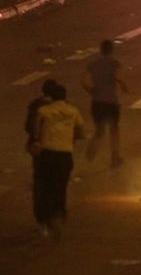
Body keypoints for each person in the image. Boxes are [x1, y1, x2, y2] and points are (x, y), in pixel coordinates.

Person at [34, 84, 86, 240]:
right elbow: (81, 132)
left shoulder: (43, 111)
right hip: (64, 155)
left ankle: (44, 220)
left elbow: (36, 133)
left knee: (44, 187)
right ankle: (59, 215)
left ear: (50, 97)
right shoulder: (73, 111)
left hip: (47, 155)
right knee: (60, 187)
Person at [82, 39, 129, 167]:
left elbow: (84, 81)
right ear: (111, 50)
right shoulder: (115, 63)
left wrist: (91, 91)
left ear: (101, 50)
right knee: (114, 130)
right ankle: (115, 157)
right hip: (111, 102)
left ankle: (91, 151)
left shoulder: (92, 64)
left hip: (97, 102)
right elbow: (118, 77)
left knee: (99, 130)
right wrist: (124, 86)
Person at [25, 78, 59, 228]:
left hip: (37, 149)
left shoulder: (34, 105)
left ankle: (41, 215)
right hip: (55, 148)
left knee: (39, 179)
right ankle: (52, 212)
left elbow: (27, 126)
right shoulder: (60, 106)